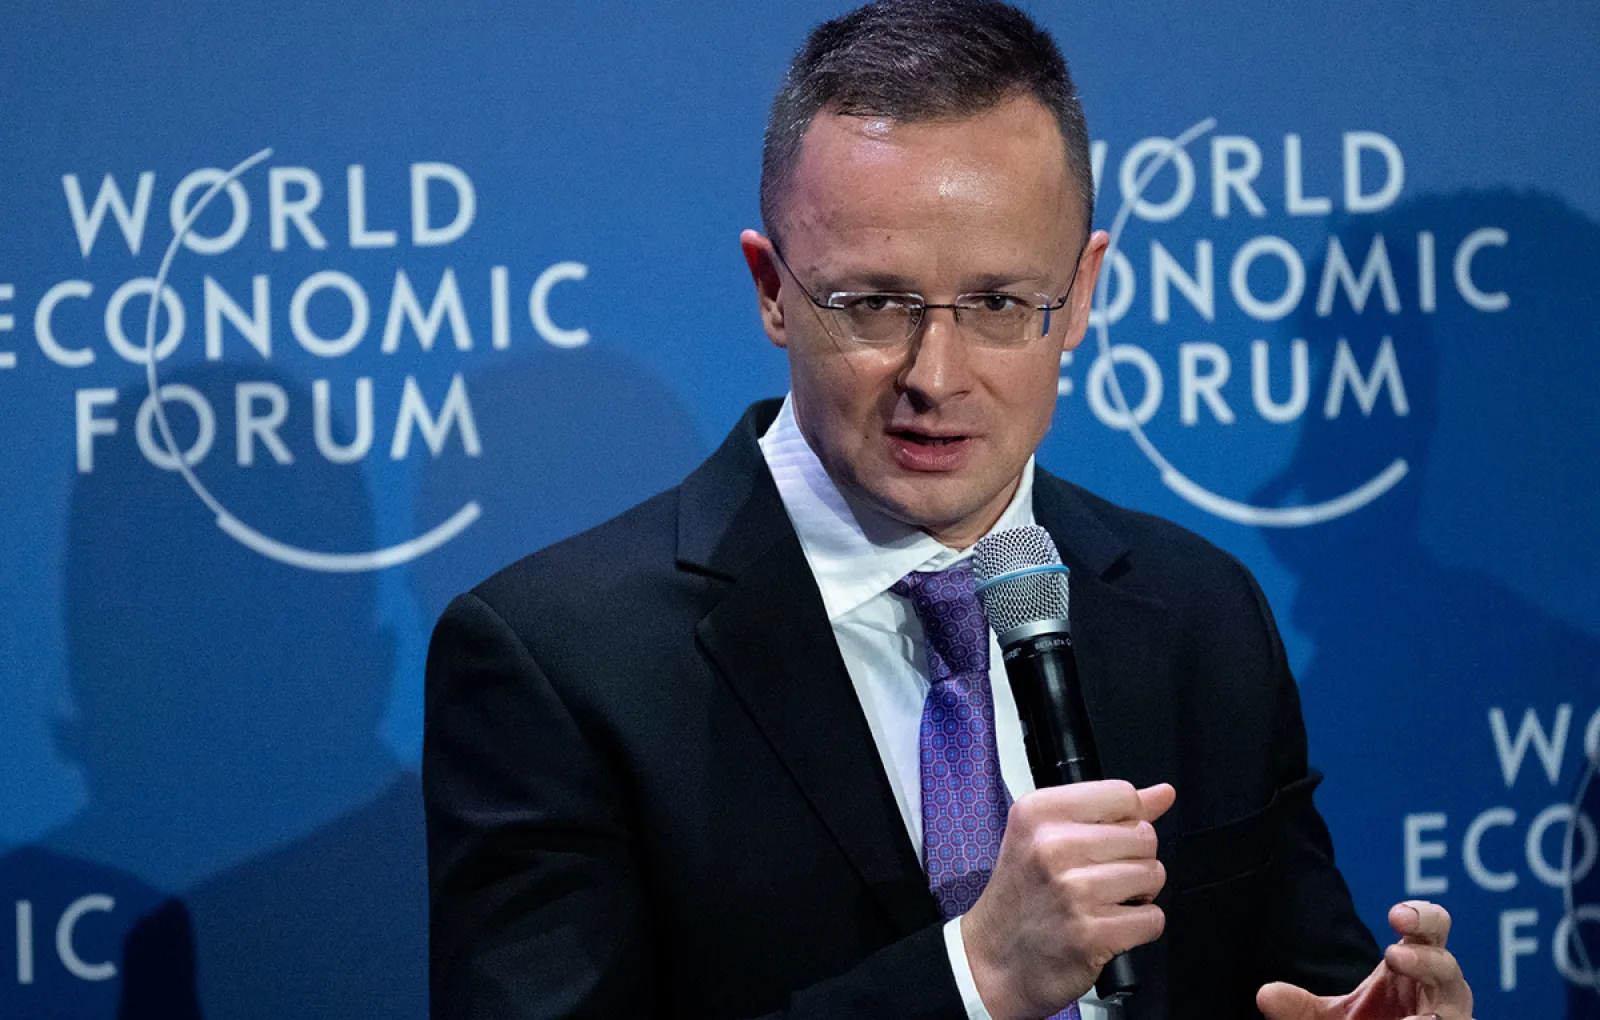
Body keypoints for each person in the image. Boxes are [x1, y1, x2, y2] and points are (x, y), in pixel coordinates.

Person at [423, 2, 1478, 1018]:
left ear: (1082, 293)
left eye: (998, 303)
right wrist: (975, 981)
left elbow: (1294, 976)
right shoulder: (562, 663)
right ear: (772, 290)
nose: (936, 375)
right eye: (874, 303)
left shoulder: (1199, 610)